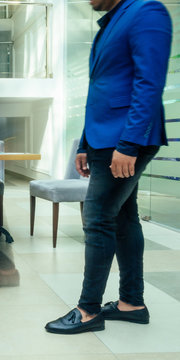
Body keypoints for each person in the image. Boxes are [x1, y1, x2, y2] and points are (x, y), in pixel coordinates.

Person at [45, 0, 172, 334]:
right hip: (104, 139)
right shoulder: (111, 22)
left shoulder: (147, 11)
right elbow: (99, 90)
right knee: (124, 217)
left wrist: (129, 144)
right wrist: (85, 143)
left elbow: (149, 82)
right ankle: (132, 302)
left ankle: (88, 310)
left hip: (125, 140)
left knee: (98, 217)